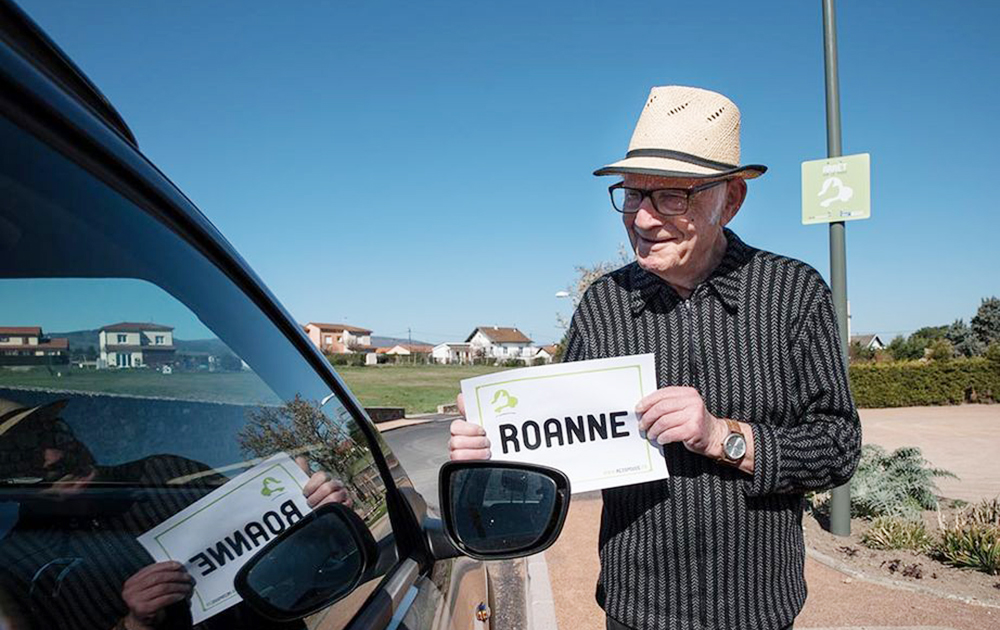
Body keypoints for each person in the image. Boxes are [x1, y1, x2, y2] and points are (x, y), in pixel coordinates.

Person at [449, 86, 862, 630]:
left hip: (755, 611)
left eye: (671, 197)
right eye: (633, 195)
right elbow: (556, 450)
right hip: (635, 608)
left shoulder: (794, 293)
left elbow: (838, 445)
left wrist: (722, 436)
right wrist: (494, 452)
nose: (642, 220)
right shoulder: (604, 304)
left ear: (731, 199)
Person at [0, 396, 351, 630]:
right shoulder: (20, 568)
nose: (53, 454)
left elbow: (278, 547)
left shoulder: (165, 472)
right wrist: (136, 623)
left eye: (53, 434)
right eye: (26, 453)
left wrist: (316, 512)